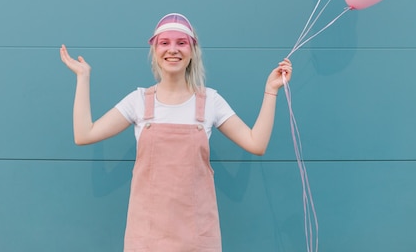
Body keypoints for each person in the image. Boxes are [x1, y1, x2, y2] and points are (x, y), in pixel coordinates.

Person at [60, 13, 292, 252]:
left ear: (193, 51)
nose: (173, 49)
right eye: (165, 42)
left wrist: (270, 91)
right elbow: (84, 134)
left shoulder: (210, 101)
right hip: (146, 237)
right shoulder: (138, 101)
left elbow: (256, 143)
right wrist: (83, 77)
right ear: (155, 51)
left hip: (198, 237)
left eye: (181, 43)